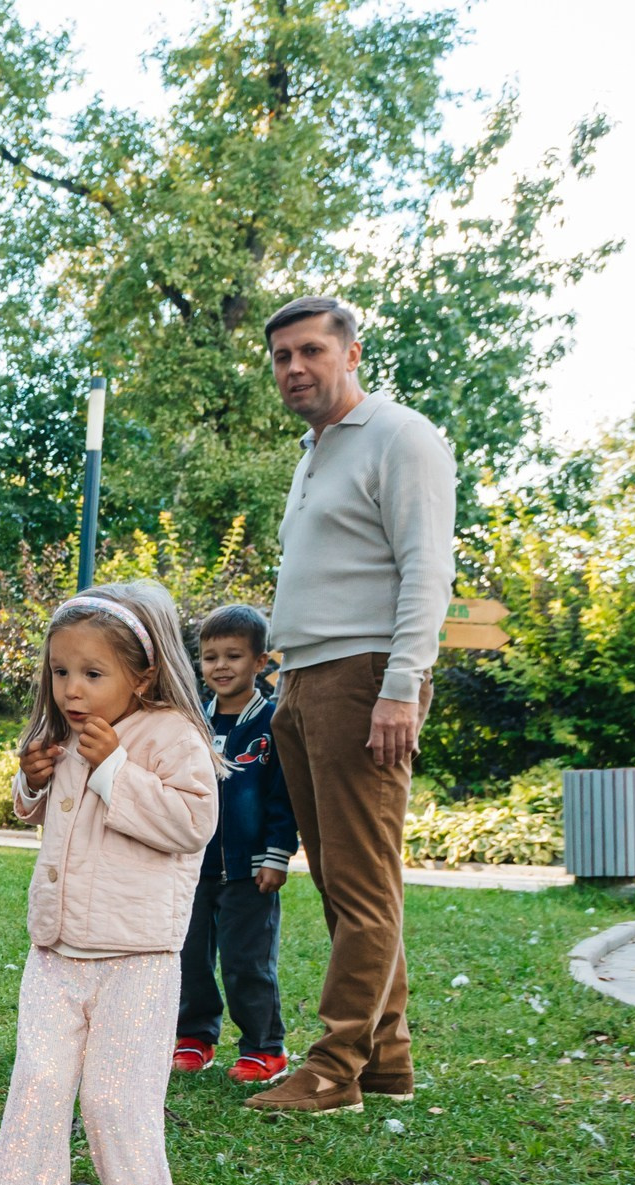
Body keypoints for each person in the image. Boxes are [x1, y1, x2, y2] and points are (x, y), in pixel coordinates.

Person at [0, 583, 218, 1185]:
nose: (72, 689)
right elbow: (52, 814)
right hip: (57, 953)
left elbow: (192, 823)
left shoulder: (170, 736)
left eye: (92, 674)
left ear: (144, 674)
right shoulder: (67, 732)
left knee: (114, 1100)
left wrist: (112, 769)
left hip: (137, 959)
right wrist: (30, 783)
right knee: (35, 1091)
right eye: (61, 671)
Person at [247, 295, 454, 1116]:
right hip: (304, 678)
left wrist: (401, 686)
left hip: (364, 676)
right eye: (281, 357)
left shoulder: (401, 436)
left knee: (363, 882)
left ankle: (334, 1068)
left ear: (351, 353)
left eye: (309, 351)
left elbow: (425, 569)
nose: (294, 368)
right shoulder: (315, 451)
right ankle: (387, 1057)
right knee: (338, 877)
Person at [172, 604, 298, 1083]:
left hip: (251, 869)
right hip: (194, 866)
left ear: (261, 662)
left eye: (233, 656)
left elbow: (284, 794)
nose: (220, 667)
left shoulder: (272, 723)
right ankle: (195, 1036)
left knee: (247, 962)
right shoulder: (193, 722)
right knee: (190, 956)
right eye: (210, 657)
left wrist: (277, 855)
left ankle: (264, 1047)